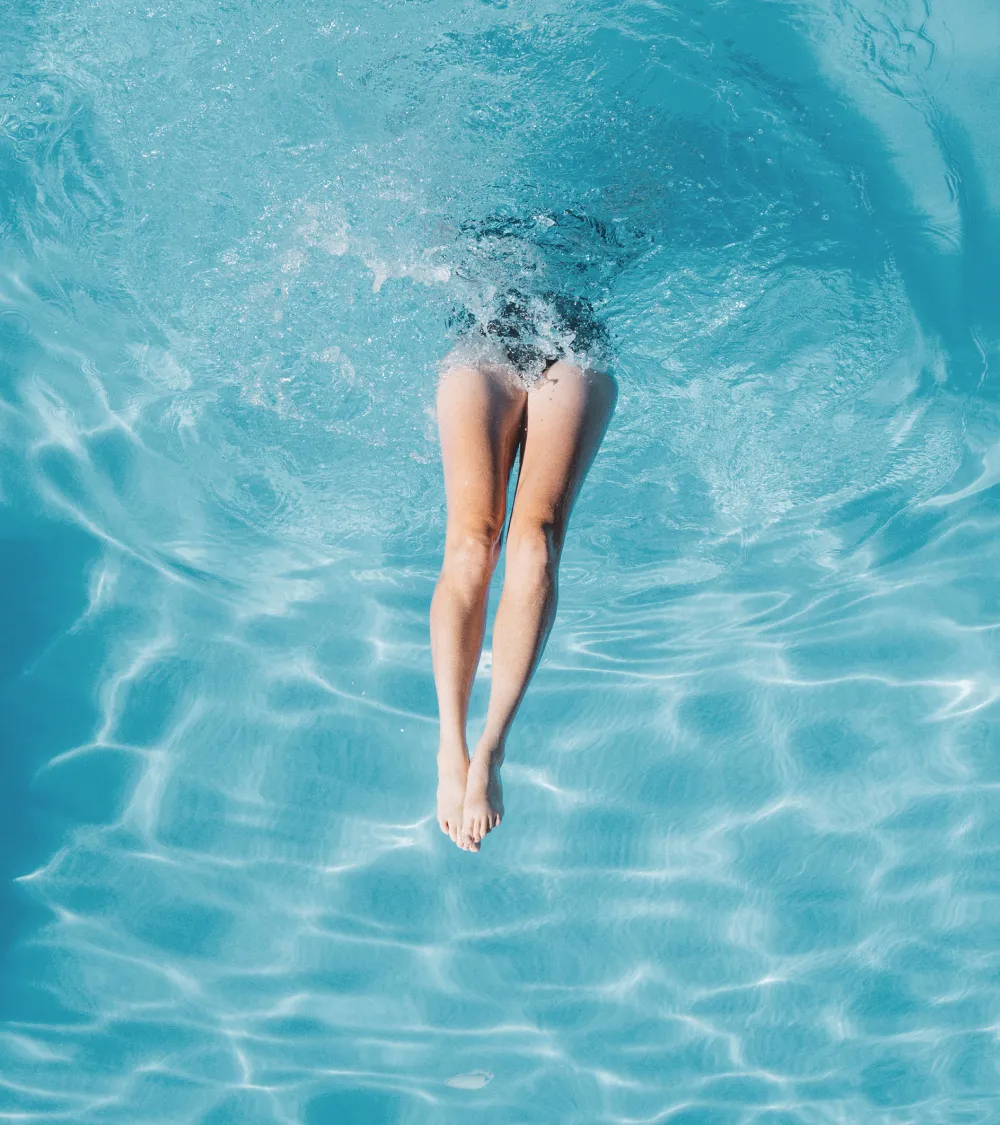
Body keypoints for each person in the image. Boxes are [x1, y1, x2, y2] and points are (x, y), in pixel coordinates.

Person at [430, 269, 617, 853]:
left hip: (571, 346)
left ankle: (491, 748)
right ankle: (450, 746)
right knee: (470, 541)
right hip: (484, 345)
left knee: (534, 543)